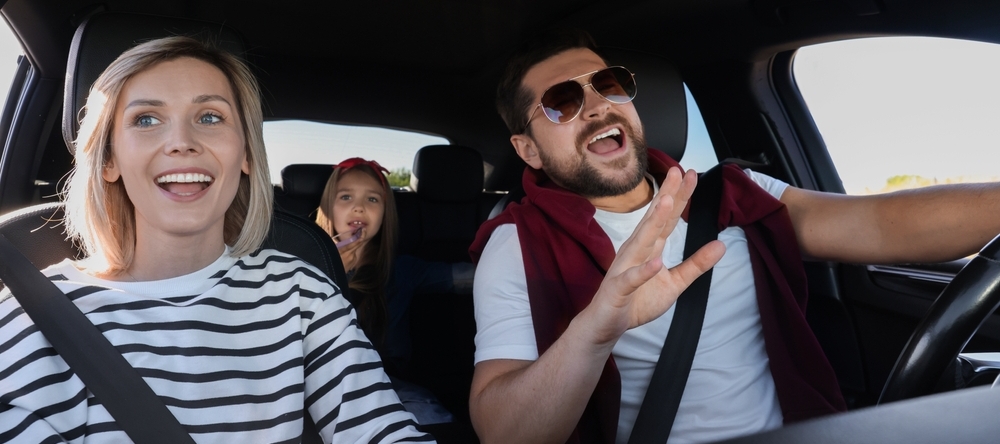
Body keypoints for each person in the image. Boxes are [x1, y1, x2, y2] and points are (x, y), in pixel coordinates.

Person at [468, 29, 1000, 444]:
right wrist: (595, 332)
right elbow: (504, 433)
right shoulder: (517, 245)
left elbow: (883, 224)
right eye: (562, 102)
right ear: (529, 150)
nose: (599, 106)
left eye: (607, 84)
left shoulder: (731, 193)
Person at [0, 36, 431, 443]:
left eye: (210, 117)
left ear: (245, 153)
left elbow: (382, 430)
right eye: (146, 119)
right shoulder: (32, 314)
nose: (182, 142)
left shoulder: (303, 295)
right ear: (109, 159)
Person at [315, 158, 472, 425]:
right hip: (315, 382)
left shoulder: (400, 270)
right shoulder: (304, 265)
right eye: (345, 197)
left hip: (386, 382)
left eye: (373, 200)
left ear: (385, 214)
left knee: (431, 419)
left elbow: (465, 277)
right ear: (328, 207)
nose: (359, 207)